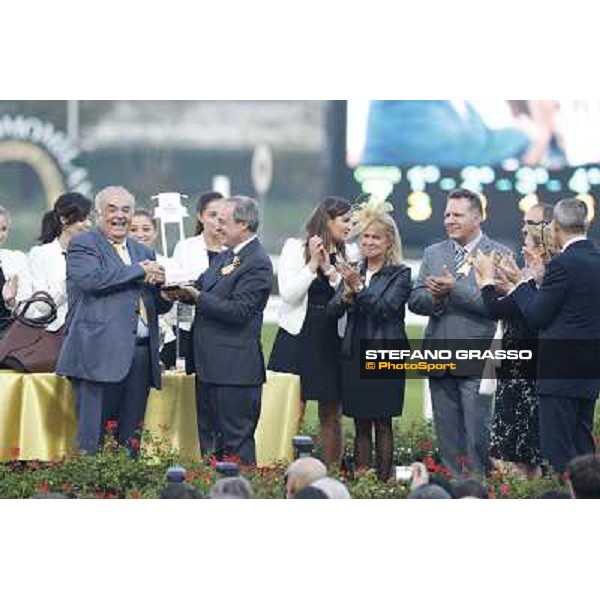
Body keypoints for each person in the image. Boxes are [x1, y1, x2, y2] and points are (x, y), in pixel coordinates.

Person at [56, 186, 172, 455]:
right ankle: (88, 494)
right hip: (97, 354)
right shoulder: (84, 244)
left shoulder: (143, 252)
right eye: (112, 209)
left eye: (126, 210)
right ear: (98, 214)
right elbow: (91, 280)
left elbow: (153, 303)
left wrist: (166, 292)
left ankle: (124, 492)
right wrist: (138, 272)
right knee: (90, 439)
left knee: (131, 439)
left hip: (141, 355)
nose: (120, 216)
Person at [408, 188, 510, 476]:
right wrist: (437, 298)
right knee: (448, 439)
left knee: (479, 434)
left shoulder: (499, 255)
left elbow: (496, 307)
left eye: (457, 214)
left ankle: (479, 490)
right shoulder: (433, 252)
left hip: (477, 359)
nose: (449, 220)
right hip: (439, 355)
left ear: (477, 217)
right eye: (447, 214)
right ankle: (453, 492)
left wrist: (455, 289)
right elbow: (416, 301)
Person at [164, 196, 273, 465]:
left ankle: (241, 495)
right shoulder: (229, 255)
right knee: (210, 442)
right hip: (209, 366)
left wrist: (198, 297)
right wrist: (174, 290)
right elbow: (202, 285)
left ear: (244, 224)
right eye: (214, 219)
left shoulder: (257, 261)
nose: (216, 226)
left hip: (235, 371)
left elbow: (239, 312)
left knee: (236, 444)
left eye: (223, 221)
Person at [510, 198, 600, 473]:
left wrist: (521, 285)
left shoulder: (563, 264)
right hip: (589, 371)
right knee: (583, 444)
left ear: (556, 228)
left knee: (559, 452)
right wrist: (540, 281)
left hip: (560, 372)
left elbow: (538, 315)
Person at [327, 203, 411, 481]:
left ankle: (384, 483)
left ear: (389, 242)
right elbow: (331, 311)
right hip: (353, 355)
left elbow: (384, 309)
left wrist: (359, 288)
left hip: (385, 354)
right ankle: (363, 482)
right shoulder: (354, 270)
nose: (369, 242)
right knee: (361, 423)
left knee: (382, 422)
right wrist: (345, 296)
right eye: (365, 237)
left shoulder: (401, 274)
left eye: (376, 237)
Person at [268, 197, 352, 466]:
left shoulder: (348, 255)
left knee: (330, 413)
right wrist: (312, 265)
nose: (350, 227)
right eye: (345, 221)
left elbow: (348, 295)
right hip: (297, 336)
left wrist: (330, 269)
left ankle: (330, 474)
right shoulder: (295, 248)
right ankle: (281, 468)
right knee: (293, 409)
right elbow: (289, 295)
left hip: (330, 338)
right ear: (328, 220)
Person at [473, 220, 559, 478]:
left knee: (522, 455)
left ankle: (526, 495)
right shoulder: (541, 281)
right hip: (522, 371)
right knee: (524, 453)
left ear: (541, 251)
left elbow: (495, 309)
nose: (523, 249)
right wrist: (513, 278)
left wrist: (486, 280)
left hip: (523, 376)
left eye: (528, 245)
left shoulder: (541, 283)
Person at [170, 191, 225, 370]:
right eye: (212, 215)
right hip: (189, 325)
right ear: (200, 216)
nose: (218, 221)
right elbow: (176, 285)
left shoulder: (233, 251)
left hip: (223, 327)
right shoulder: (186, 247)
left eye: (223, 216)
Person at [27, 193, 93, 332]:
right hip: (56, 335)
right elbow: (41, 306)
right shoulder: (41, 254)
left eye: (89, 218)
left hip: (90, 334)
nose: (88, 224)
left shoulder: (93, 254)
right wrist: (70, 281)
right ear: (63, 219)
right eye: (81, 219)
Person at [129, 209, 177, 367]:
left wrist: (165, 291)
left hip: (165, 337)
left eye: (146, 229)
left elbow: (169, 305)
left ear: (155, 232)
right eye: (133, 229)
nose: (140, 234)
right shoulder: (119, 264)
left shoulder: (167, 264)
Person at [0, 205, 32, 335]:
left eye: (3, 229)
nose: (0, 235)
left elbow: (28, 308)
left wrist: (11, 301)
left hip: (7, 337)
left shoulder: (15, 260)